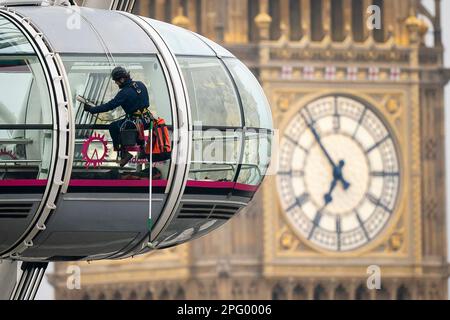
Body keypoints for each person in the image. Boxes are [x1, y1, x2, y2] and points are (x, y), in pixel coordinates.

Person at [78, 66, 151, 167]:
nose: (116, 83)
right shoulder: (140, 85)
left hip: (135, 122)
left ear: (122, 79)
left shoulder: (124, 93)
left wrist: (92, 109)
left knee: (113, 126)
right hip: (147, 120)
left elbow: (110, 106)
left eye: (116, 81)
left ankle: (124, 153)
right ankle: (141, 147)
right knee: (124, 123)